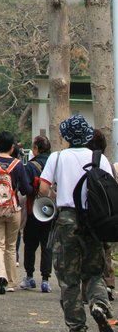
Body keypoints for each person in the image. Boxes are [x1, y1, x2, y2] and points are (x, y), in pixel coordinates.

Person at [39, 114, 114, 332]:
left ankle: (77, 325)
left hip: (67, 220)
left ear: (65, 136)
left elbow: (43, 189)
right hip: (95, 221)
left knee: (68, 277)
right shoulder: (99, 158)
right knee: (94, 271)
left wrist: (57, 195)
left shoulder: (57, 157)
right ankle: (99, 304)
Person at [0, 129, 32, 294]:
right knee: (10, 246)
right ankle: (10, 282)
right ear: (12, 147)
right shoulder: (18, 164)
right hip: (13, 209)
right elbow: (25, 189)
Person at [82, 129, 115, 304]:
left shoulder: (86, 160)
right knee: (105, 250)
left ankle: (88, 291)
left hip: (88, 213)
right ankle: (108, 284)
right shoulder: (105, 162)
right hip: (106, 213)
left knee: (87, 253)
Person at [20, 134, 52, 292]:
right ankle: (45, 280)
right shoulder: (54, 164)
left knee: (30, 244)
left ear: (36, 149)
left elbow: (24, 189)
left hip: (34, 209)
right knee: (47, 245)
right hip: (50, 210)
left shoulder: (30, 166)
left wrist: (34, 190)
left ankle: (29, 277)